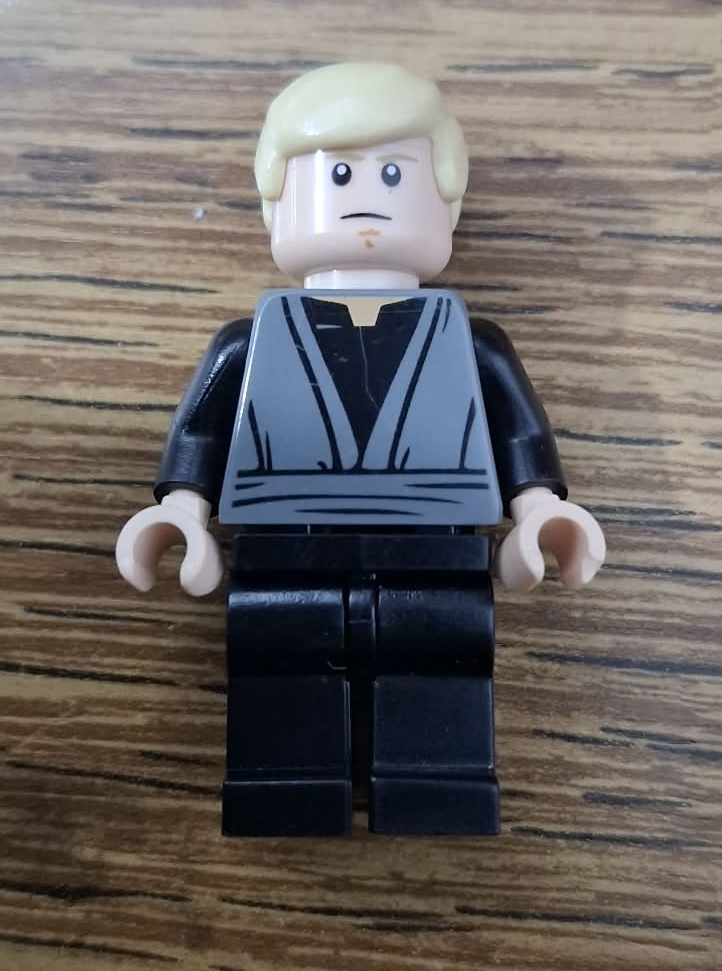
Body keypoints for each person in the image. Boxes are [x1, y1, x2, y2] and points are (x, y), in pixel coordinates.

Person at [116, 63, 605, 836]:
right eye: (337, 174)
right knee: (280, 658)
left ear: (446, 204)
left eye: (393, 172)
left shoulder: (472, 342)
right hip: (283, 551)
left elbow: (517, 431)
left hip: (437, 551)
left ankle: (436, 786)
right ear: (277, 205)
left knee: (439, 657)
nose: (365, 193)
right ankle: (285, 785)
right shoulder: (248, 342)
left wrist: (539, 509)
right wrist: (179, 513)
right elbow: (202, 434)